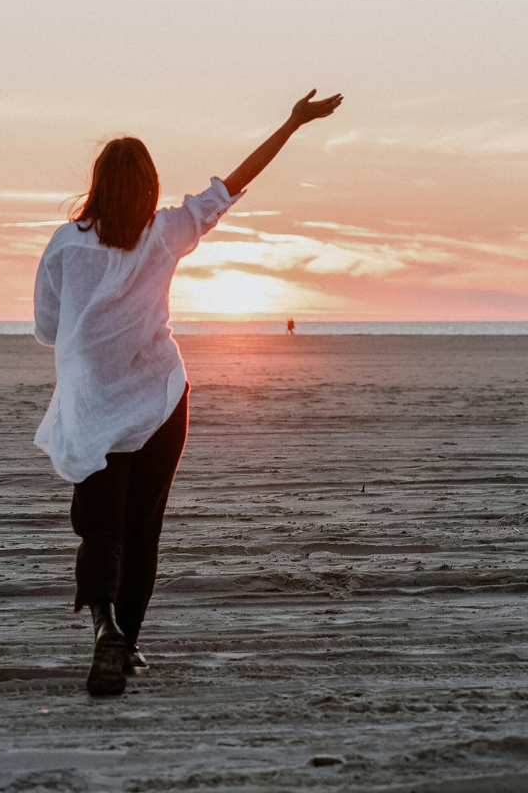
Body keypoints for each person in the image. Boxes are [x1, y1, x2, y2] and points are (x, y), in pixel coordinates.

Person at [33, 89, 342, 696]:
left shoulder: (65, 245)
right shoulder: (167, 232)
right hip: (160, 402)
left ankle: (106, 629)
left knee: (102, 530)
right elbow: (234, 182)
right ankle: (131, 642)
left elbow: (48, 329)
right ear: (148, 186)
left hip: (93, 409)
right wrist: (291, 122)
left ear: (97, 185)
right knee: (143, 530)